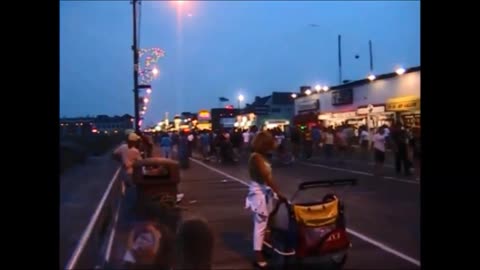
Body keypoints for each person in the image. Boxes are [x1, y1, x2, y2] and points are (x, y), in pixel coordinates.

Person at [245, 131, 286, 269]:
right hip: (259, 194)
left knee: (267, 223)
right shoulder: (256, 157)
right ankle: (258, 256)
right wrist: (278, 193)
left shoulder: (260, 157)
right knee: (260, 226)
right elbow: (266, 178)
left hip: (264, 192)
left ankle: (263, 248)